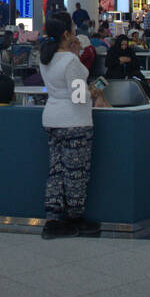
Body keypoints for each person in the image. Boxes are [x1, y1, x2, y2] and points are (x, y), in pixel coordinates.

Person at [38, 12, 101, 240]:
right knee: (76, 172)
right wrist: (91, 91)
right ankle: (76, 217)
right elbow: (77, 95)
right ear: (67, 33)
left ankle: (53, 219)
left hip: (52, 119)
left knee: (56, 171)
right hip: (74, 121)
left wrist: (74, 56)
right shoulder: (71, 61)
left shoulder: (46, 57)